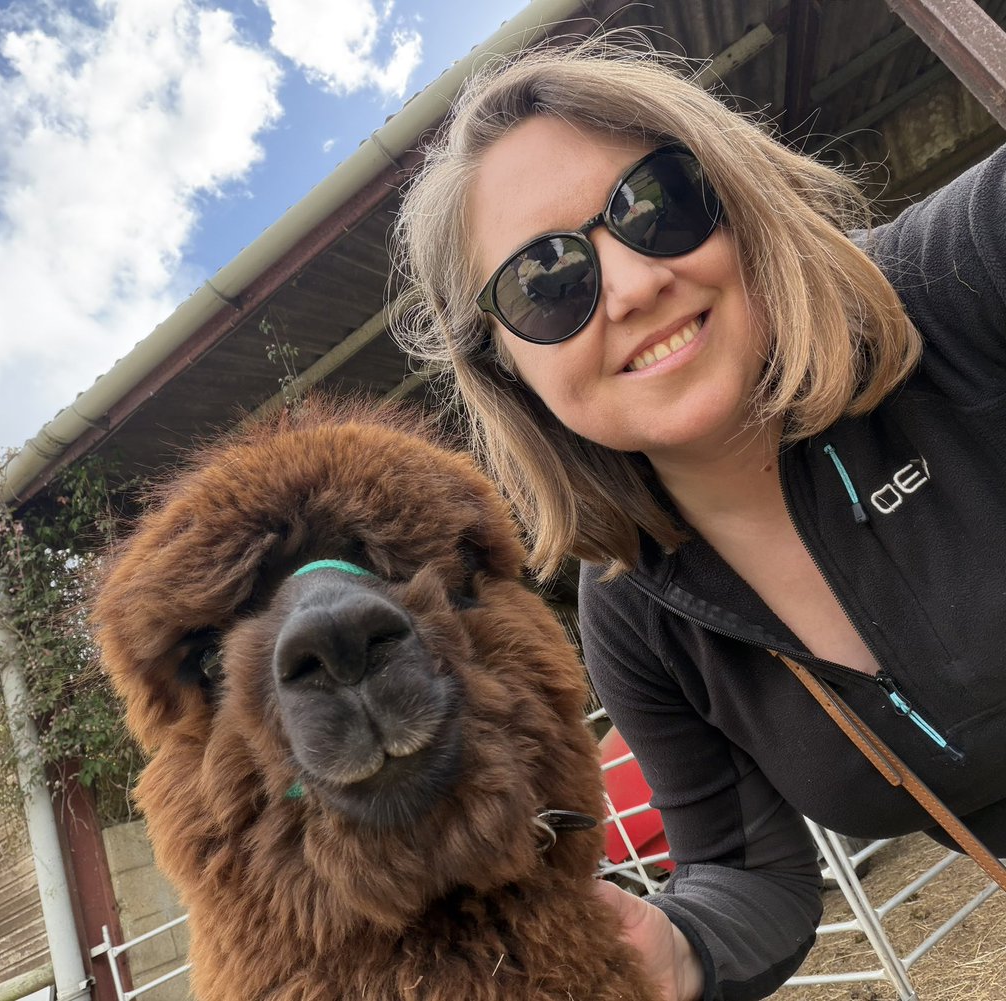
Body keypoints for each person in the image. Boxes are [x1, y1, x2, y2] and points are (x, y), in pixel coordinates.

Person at [390, 38, 1006, 1001]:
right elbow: (745, 868)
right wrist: (668, 950)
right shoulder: (635, 609)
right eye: (547, 281)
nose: (634, 286)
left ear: (732, 196)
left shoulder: (960, 285)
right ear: (504, 360)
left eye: (656, 202)